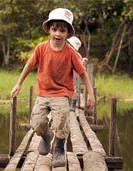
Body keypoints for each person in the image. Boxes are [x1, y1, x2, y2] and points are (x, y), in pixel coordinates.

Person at [10, 8, 95, 168]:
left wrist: (90, 94)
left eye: (62, 31)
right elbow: (29, 65)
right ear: (49, 29)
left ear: (68, 33)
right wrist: (18, 83)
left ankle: (59, 148)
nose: (57, 34)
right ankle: (47, 136)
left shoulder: (70, 53)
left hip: (61, 94)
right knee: (36, 123)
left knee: (62, 121)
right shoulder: (41, 48)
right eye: (54, 29)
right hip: (43, 93)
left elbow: (83, 74)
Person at [67, 36, 88, 112]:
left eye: (69, 44)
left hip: (74, 76)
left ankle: (72, 105)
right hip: (67, 75)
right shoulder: (67, 53)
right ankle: (68, 104)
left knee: (75, 90)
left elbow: (80, 66)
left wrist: (83, 61)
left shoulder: (77, 55)